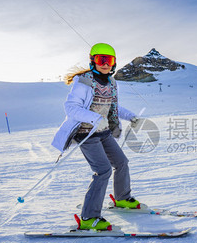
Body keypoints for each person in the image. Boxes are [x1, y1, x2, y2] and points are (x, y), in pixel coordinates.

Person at [52, 43, 142, 231]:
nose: (105, 64)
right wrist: (94, 119)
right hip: (85, 133)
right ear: (93, 61)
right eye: (101, 59)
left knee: (122, 162)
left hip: (103, 131)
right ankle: (88, 217)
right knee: (103, 170)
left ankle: (122, 199)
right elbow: (71, 108)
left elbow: (112, 108)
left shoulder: (111, 82)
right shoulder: (84, 81)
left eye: (109, 60)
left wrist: (130, 116)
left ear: (114, 63)